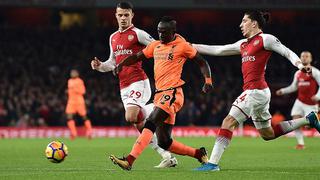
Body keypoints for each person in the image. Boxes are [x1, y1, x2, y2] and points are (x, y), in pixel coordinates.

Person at [192, 11, 319, 171]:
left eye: (244, 21)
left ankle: (212, 164)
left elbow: (286, 52)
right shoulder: (243, 44)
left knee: (228, 121)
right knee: (268, 134)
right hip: (260, 93)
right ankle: (308, 119)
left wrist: (300, 65)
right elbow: (219, 50)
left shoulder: (266, 39)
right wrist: (191, 46)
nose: (240, 25)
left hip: (255, 91)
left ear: (254, 23)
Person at [109, 16, 213, 171]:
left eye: (164, 32)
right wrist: (122, 64)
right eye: (159, 32)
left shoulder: (182, 46)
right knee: (164, 141)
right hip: (160, 95)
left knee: (150, 121)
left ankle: (129, 160)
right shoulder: (155, 46)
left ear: (173, 31)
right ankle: (199, 154)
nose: (161, 35)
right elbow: (137, 56)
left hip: (173, 93)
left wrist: (208, 81)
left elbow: (202, 62)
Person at [91, 2, 177, 168]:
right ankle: (167, 156)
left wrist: (164, 63)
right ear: (115, 15)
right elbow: (112, 63)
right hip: (124, 87)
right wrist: (100, 65)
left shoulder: (138, 34)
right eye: (120, 15)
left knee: (130, 116)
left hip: (139, 82)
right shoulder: (113, 37)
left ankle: (161, 107)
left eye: (126, 15)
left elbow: (157, 46)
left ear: (132, 15)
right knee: (138, 122)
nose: (123, 18)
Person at [276, 51, 320, 150]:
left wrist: (318, 96)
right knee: (295, 121)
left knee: (310, 126)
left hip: (311, 103)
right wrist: (283, 91)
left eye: (307, 56)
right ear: (300, 59)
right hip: (299, 101)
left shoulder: (315, 72)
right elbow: (293, 87)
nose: (304, 58)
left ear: (311, 59)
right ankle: (301, 143)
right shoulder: (298, 73)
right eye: (302, 56)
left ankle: (313, 122)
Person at [66, 69, 92, 140]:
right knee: (69, 117)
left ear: (77, 74)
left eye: (74, 73)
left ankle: (89, 132)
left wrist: (74, 89)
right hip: (71, 101)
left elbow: (83, 91)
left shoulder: (80, 81)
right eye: (71, 73)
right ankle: (73, 133)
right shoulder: (69, 81)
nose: (72, 74)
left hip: (79, 101)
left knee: (84, 116)